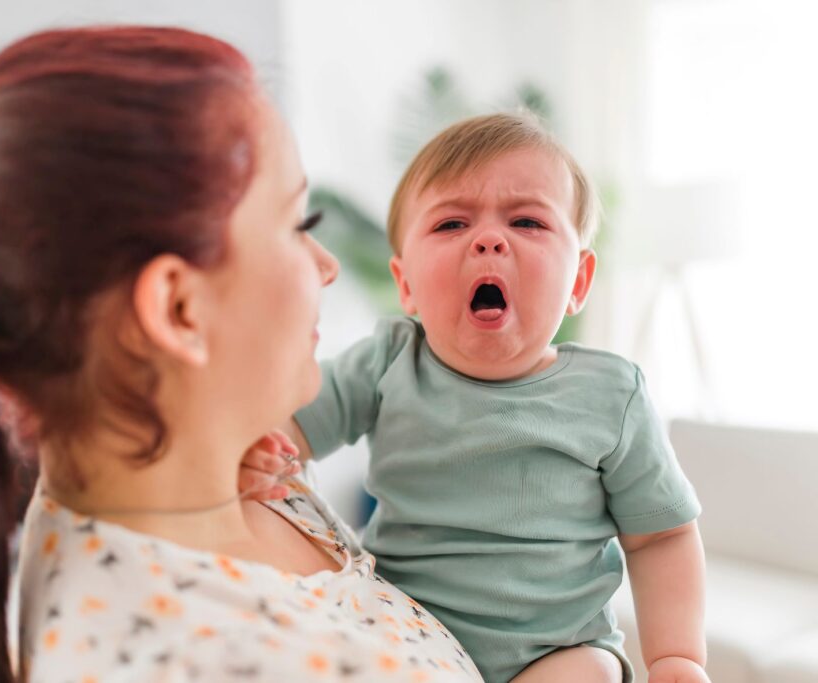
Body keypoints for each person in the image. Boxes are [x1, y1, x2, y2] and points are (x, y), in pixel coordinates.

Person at [0, 26, 483, 683]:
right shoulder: (178, 657)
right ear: (177, 309)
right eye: (297, 223)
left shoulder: (213, 476)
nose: (327, 265)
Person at [276, 113, 709, 683]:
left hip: (558, 650)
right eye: (452, 223)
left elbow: (661, 537)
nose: (488, 239)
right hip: (406, 632)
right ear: (405, 284)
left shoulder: (611, 396)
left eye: (527, 221)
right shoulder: (386, 362)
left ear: (578, 282)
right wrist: (264, 449)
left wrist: (678, 658)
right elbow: (291, 424)